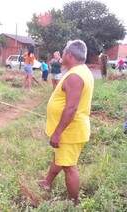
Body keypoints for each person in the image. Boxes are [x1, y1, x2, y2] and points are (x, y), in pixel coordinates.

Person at [39, 40, 94, 204]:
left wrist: (57, 133)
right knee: (60, 158)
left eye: (63, 53)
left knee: (69, 167)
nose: (61, 56)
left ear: (69, 55)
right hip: (70, 130)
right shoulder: (80, 71)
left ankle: (73, 202)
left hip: (69, 131)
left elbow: (71, 108)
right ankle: (47, 182)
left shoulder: (75, 76)